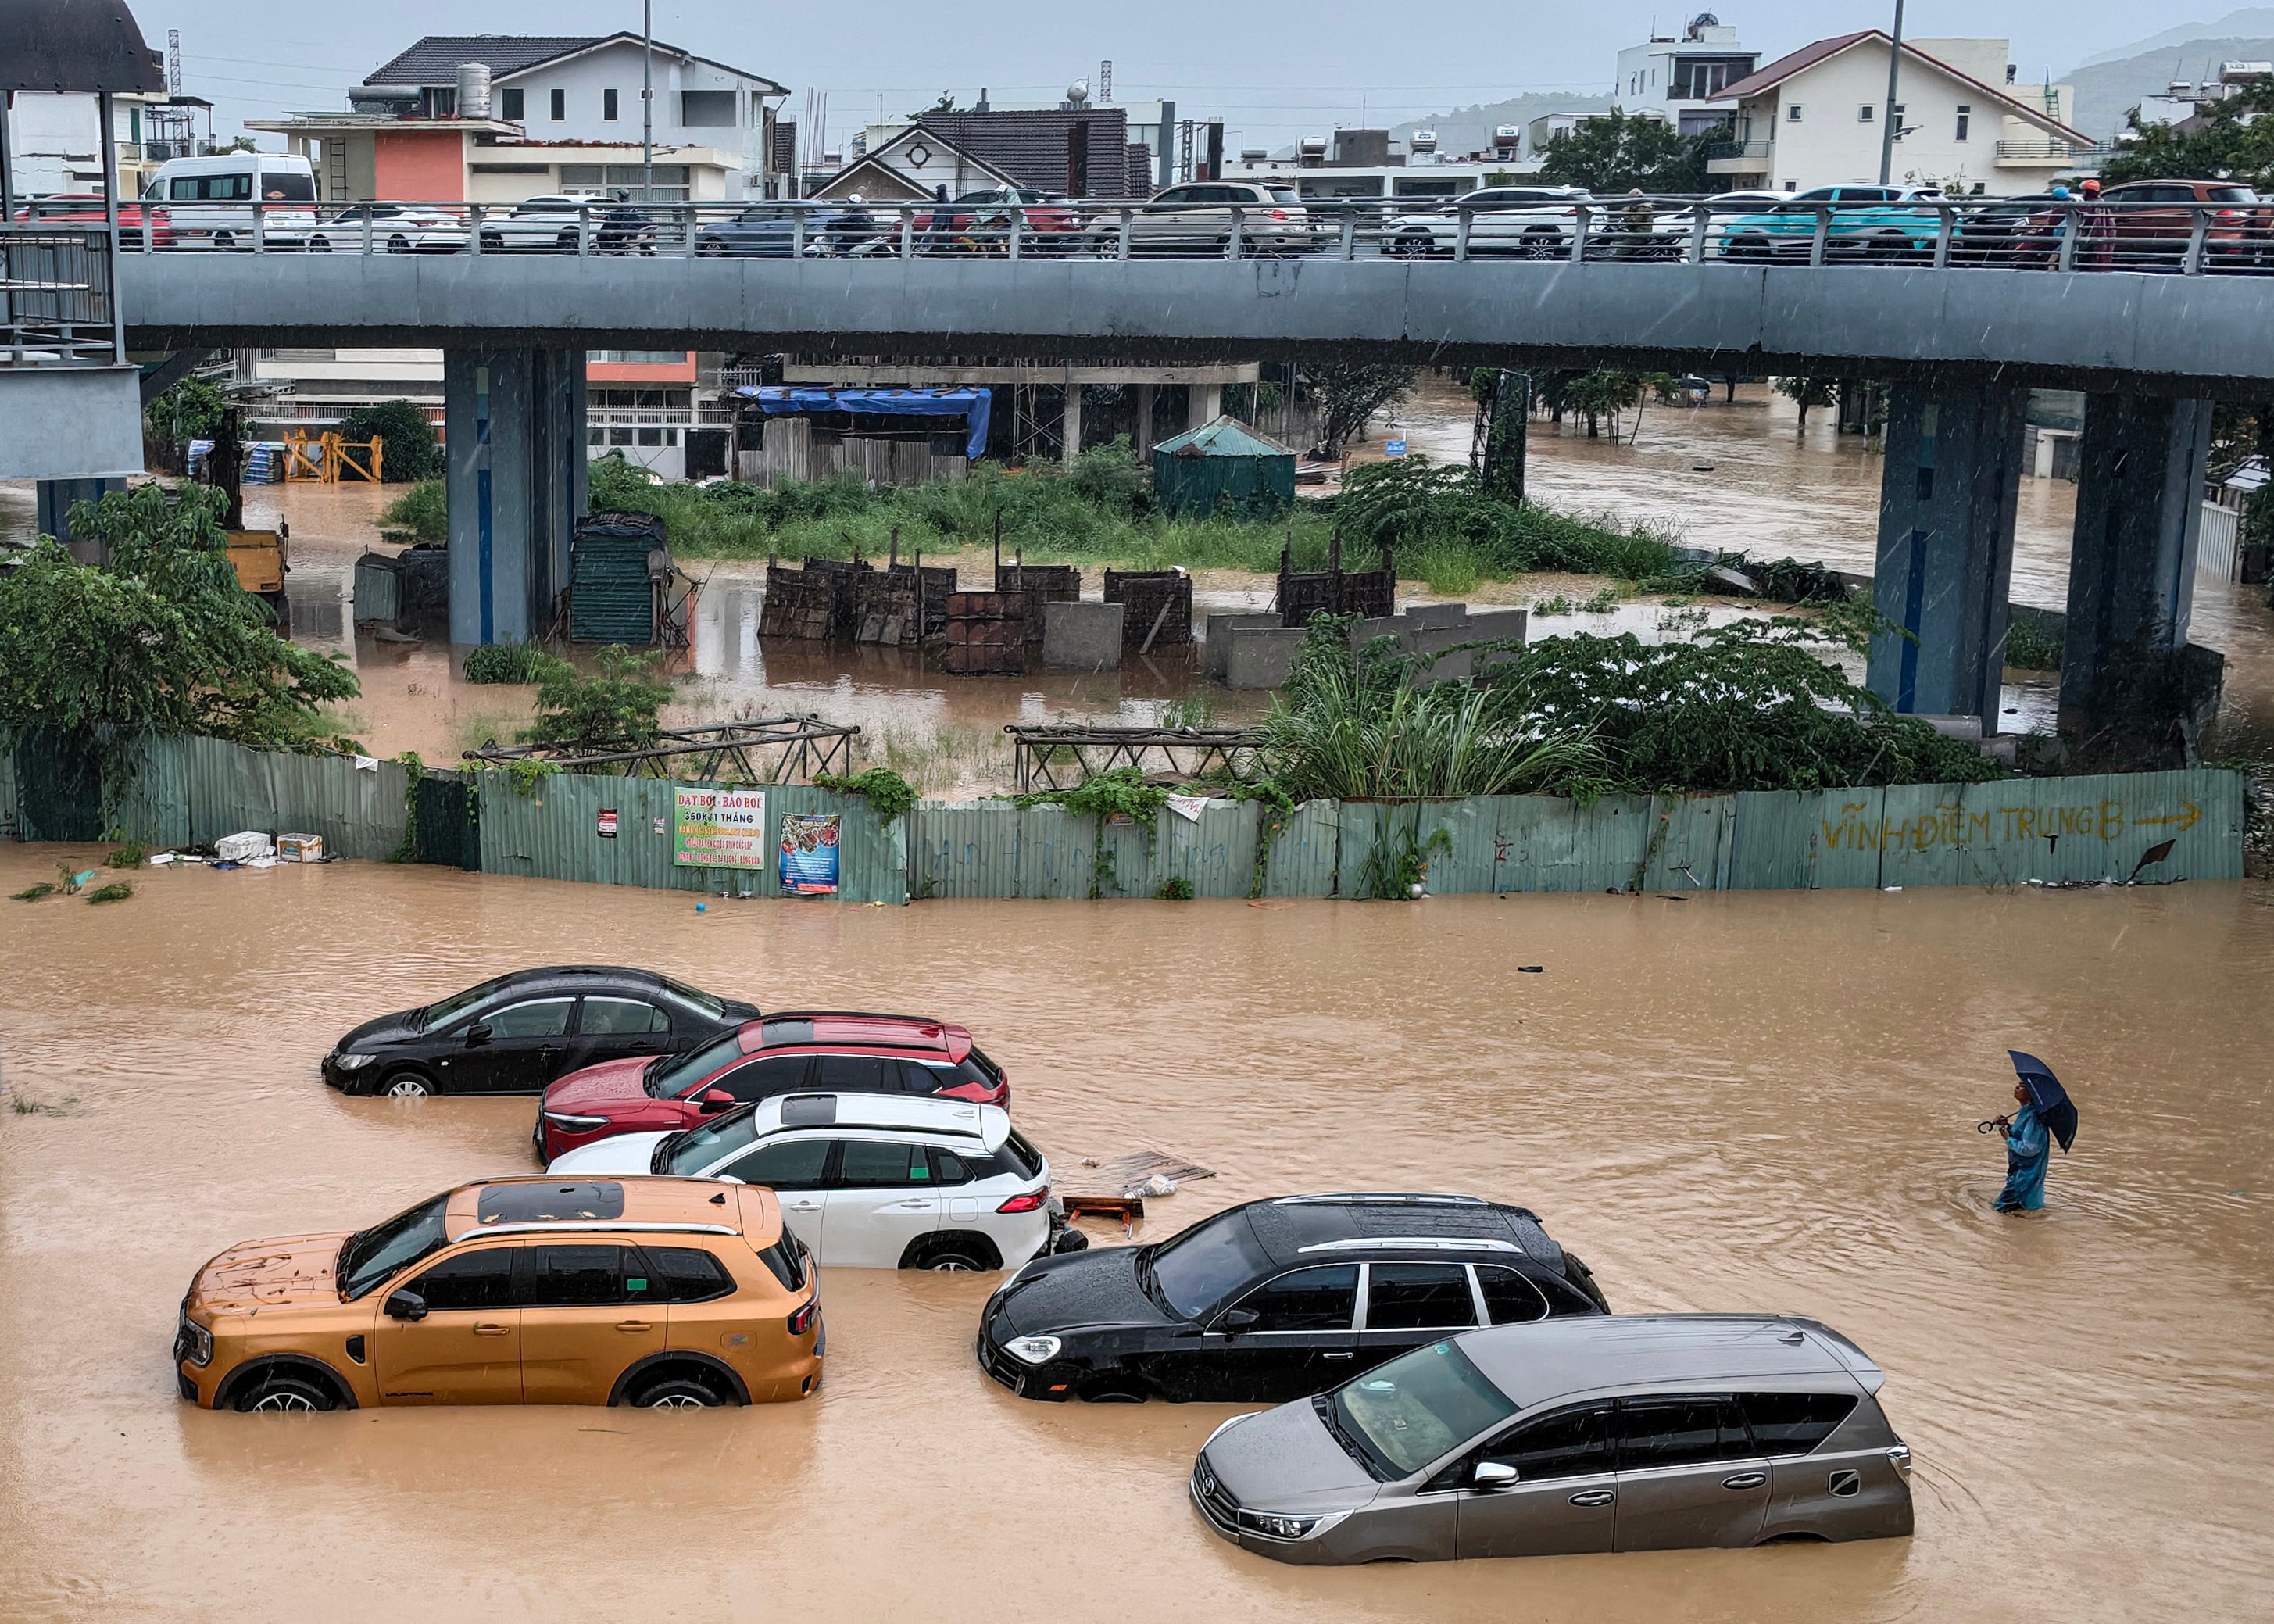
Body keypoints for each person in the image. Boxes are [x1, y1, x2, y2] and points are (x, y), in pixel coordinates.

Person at [1990, 1079, 2051, 1211]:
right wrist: (2004, 1127)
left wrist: (2007, 1138)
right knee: (2016, 1212)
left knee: (2002, 1210)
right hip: (2019, 1172)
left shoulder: (2034, 1117)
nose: (2017, 1087)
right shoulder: (2025, 1112)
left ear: (2032, 1092)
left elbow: (2029, 1148)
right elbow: (2020, 1135)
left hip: (2026, 1175)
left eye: (2022, 1086)